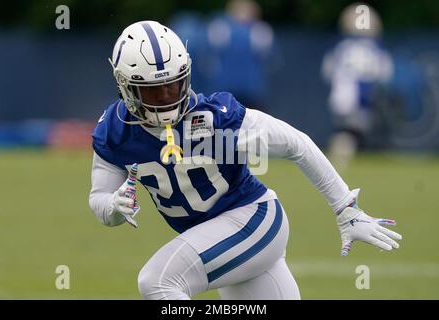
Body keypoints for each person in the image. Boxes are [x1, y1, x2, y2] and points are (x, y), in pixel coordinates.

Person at [88, 21, 402, 300]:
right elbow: (100, 199)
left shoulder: (216, 118)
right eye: (155, 91)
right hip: (219, 237)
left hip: (254, 219)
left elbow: (296, 143)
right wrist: (114, 206)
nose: (169, 97)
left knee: (157, 282)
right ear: (126, 87)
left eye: (174, 84)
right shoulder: (114, 132)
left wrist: (345, 208)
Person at [322, 3, 393, 171]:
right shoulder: (376, 47)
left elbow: (327, 71)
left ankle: (336, 165)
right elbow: (384, 73)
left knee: (346, 131)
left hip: (340, 95)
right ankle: (335, 167)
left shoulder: (340, 46)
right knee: (350, 133)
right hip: (359, 96)